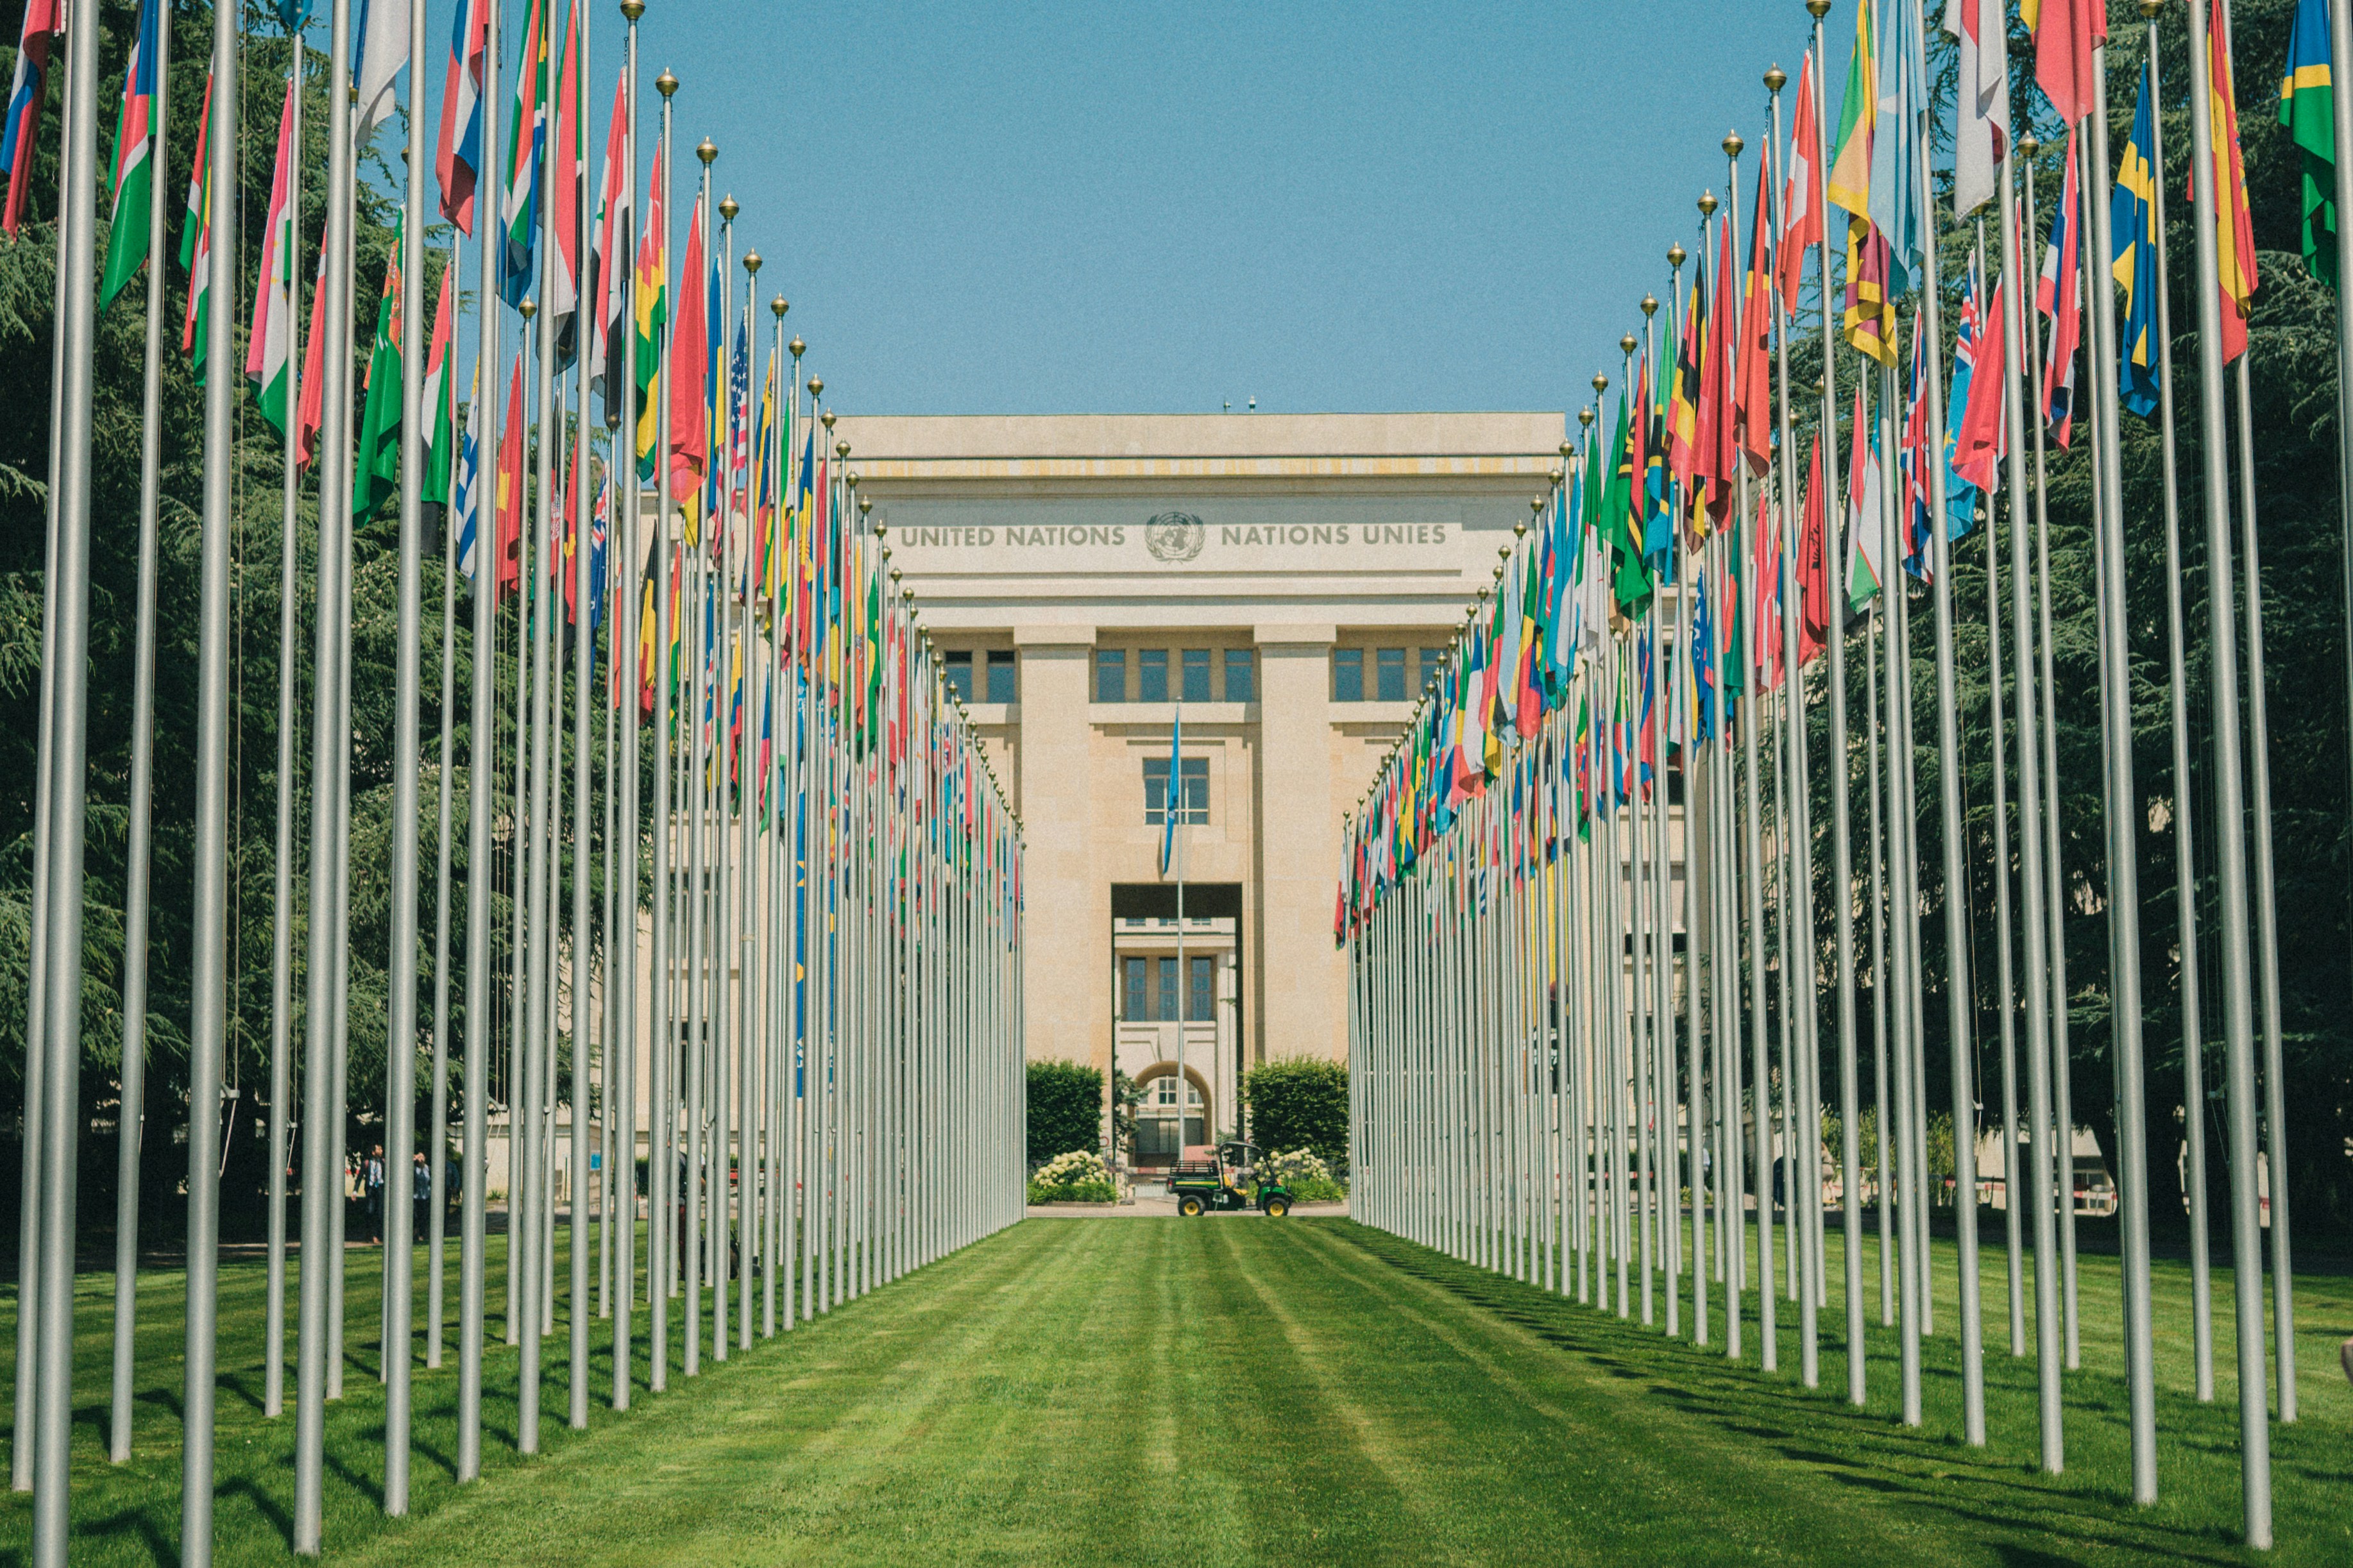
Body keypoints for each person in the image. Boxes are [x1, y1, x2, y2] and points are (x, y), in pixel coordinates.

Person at [364, 1145, 386, 1244]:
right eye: (379, 1149)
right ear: (373, 1152)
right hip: (371, 1189)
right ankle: (369, 1232)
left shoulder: (383, 1162)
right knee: (370, 1211)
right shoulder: (367, 1163)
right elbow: (360, 1177)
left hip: (380, 1189)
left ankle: (376, 1236)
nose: (381, 1151)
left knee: (380, 1213)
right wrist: (355, 1191)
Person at [412, 1150, 432, 1242]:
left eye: (423, 1157)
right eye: (419, 1157)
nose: (421, 1159)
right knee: (415, 1216)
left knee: (424, 1216)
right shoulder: (414, 1169)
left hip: (426, 1196)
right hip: (416, 1196)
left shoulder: (428, 1168)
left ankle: (422, 1234)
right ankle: (415, 1231)